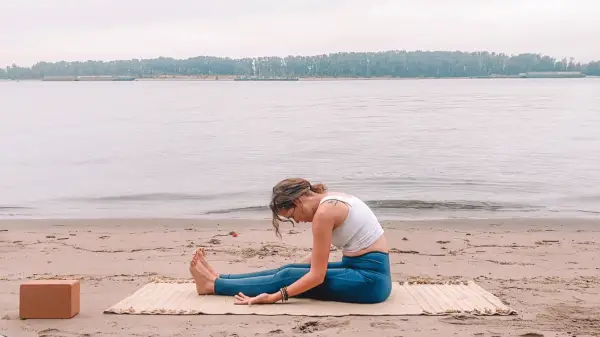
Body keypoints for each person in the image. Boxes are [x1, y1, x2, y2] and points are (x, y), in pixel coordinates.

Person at [189, 177, 392, 305]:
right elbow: (315, 259)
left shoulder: (324, 213)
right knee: (289, 270)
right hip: (366, 272)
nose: (296, 221)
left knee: (288, 275)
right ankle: (222, 278)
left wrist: (275, 296)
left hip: (370, 282)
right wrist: (290, 271)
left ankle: (212, 286)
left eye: (291, 215)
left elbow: (317, 277)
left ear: (297, 201)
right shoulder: (332, 199)